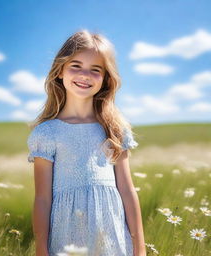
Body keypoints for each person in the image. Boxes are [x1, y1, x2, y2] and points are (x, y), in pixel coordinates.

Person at [27, 29, 146, 256]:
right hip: (66, 238)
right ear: (60, 71)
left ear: (105, 79)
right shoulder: (48, 132)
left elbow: (128, 191)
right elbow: (42, 198)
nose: (85, 75)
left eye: (95, 70)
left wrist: (139, 249)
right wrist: (41, 249)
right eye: (76, 66)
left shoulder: (114, 129)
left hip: (112, 237)